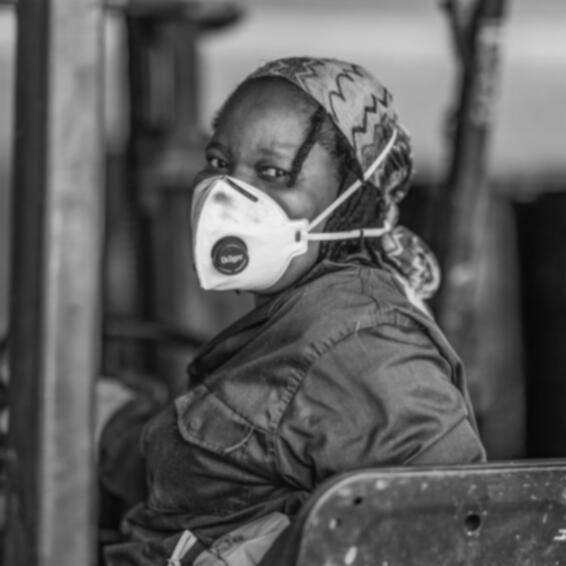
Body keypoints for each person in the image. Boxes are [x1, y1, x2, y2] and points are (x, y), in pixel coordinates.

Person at [99, 56, 486, 566]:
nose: (225, 196)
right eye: (218, 163)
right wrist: (108, 419)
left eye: (273, 173)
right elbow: (220, 469)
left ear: (352, 199)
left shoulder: (368, 347)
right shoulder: (298, 319)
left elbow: (450, 527)